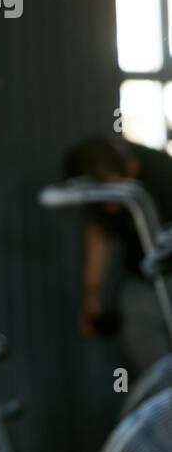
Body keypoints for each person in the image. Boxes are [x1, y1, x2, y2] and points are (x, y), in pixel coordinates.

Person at [62, 135, 172, 374]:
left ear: (131, 168)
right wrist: (91, 294)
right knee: (140, 334)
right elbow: (100, 232)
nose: (111, 209)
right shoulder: (98, 183)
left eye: (113, 198)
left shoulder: (163, 173)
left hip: (167, 270)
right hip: (143, 278)